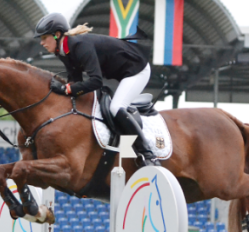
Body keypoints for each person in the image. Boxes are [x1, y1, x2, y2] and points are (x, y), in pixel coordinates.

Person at [35, 13, 159, 167]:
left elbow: (96, 81)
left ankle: (147, 154)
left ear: (57, 35)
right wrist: (64, 91)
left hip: (136, 70)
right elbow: (76, 81)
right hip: (121, 72)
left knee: (115, 107)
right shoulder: (64, 51)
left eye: (44, 37)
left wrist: (66, 89)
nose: (41, 42)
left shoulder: (79, 46)